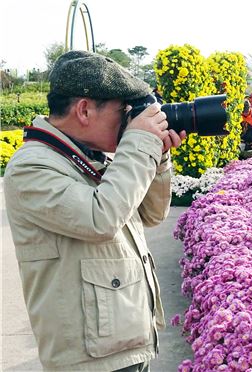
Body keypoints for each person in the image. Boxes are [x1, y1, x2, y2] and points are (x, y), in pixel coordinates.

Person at [4, 50, 187, 371]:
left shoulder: (89, 156)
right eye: (124, 111)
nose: (130, 120)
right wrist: (140, 142)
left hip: (124, 343)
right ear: (85, 110)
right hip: (89, 359)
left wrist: (157, 155)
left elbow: (152, 215)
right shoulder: (32, 167)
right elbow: (100, 219)